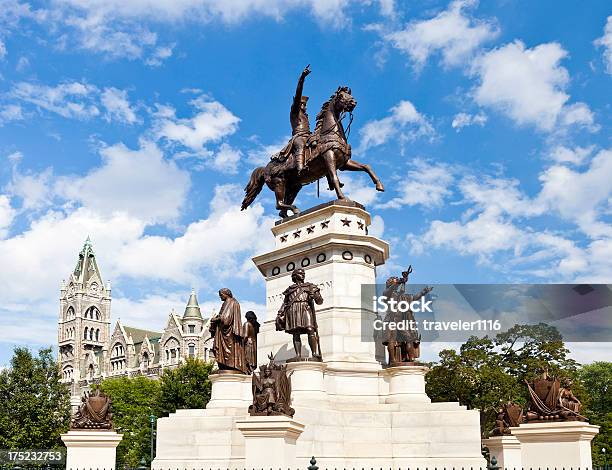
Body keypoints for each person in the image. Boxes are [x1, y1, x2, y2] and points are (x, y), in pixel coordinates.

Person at [276, 268, 323, 360]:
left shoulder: (310, 286)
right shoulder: (290, 290)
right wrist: (279, 313)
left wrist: (315, 297)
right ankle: (298, 355)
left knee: (310, 329)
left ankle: (314, 354)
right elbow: (285, 303)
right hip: (293, 310)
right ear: (295, 276)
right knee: (296, 332)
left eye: (303, 273)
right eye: (300, 273)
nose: (303, 275)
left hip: (306, 308)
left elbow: (320, 301)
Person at [210, 288, 246, 373]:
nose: (220, 297)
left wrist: (216, 319)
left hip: (228, 333)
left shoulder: (231, 302)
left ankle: (229, 365)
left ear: (226, 294)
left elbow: (226, 319)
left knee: (229, 351)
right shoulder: (227, 303)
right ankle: (223, 365)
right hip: (222, 332)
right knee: (219, 350)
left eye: (221, 295)